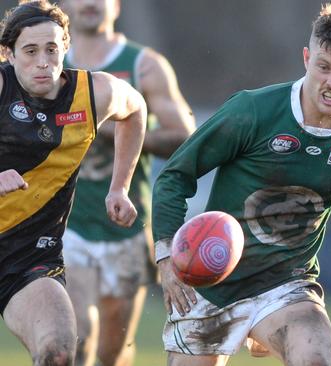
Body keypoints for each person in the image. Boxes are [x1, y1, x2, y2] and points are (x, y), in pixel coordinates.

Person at [152, 1, 331, 365]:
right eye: (324, 66)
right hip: (211, 282)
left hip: (287, 286)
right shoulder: (253, 111)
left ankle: (270, 328)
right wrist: (166, 256)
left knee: (315, 356)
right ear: (306, 58)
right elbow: (176, 174)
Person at [0, 1, 146, 365]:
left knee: (60, 351)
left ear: (66, 44)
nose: (43, 61)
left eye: (52, 49)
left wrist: (120, 187)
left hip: (28, 257)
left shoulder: (94, 93)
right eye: (30, 51)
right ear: (8, 54)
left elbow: (136, 109)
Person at [58, 0, 195, 365]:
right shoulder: (49, 63)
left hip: (127, 225)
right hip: (66, 224)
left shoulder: (144, 65)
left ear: (116, 5)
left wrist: (118, 133)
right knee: (78, 338)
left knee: (111, 351)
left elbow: (185, 136)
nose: (89, 3)